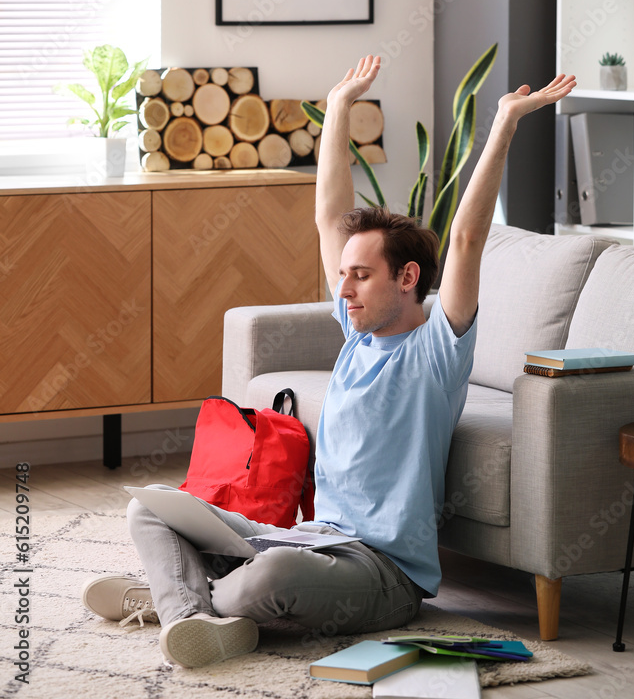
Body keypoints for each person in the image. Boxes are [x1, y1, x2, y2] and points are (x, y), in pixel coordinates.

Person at [81, 55, 575, 669]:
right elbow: (328, 215)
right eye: (342, 274)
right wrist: (338, 108)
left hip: (382, 573)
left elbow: (469, 237)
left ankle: (178, 599)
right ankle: (194, 612)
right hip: (312, 540)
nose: (342, 289)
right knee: (149, 506)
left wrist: (503, 121)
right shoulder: (357, 332)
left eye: (360, 276)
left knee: (273, 575)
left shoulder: (437, 347)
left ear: (408, 279)